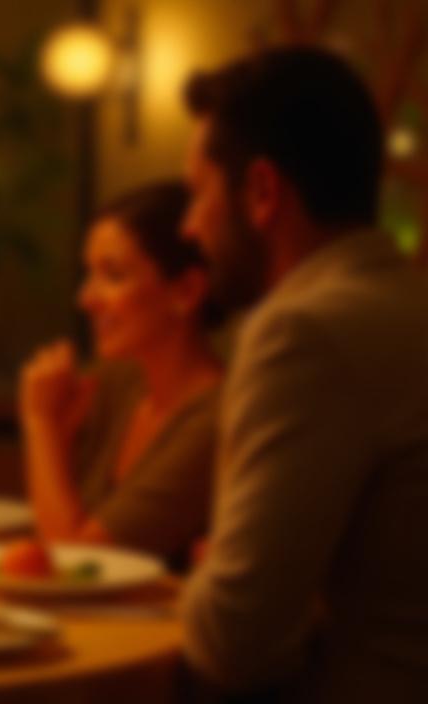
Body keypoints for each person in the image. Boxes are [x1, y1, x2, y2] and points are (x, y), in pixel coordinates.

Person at [178, 47, 428, 701]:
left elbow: (233, 641)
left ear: (261, 192)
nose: (189, 226)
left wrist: (209, 577)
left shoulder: (304, 333)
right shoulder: (404, 301)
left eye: (199, 193)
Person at [19, 180, 222, 567]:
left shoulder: (215, 418)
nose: (85, 298)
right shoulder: (118, 383)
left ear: (187, 291)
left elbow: (77, 561)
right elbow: (46, 536)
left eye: (112, 276)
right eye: (88, 274)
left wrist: (39, 422)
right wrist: (59, 438)